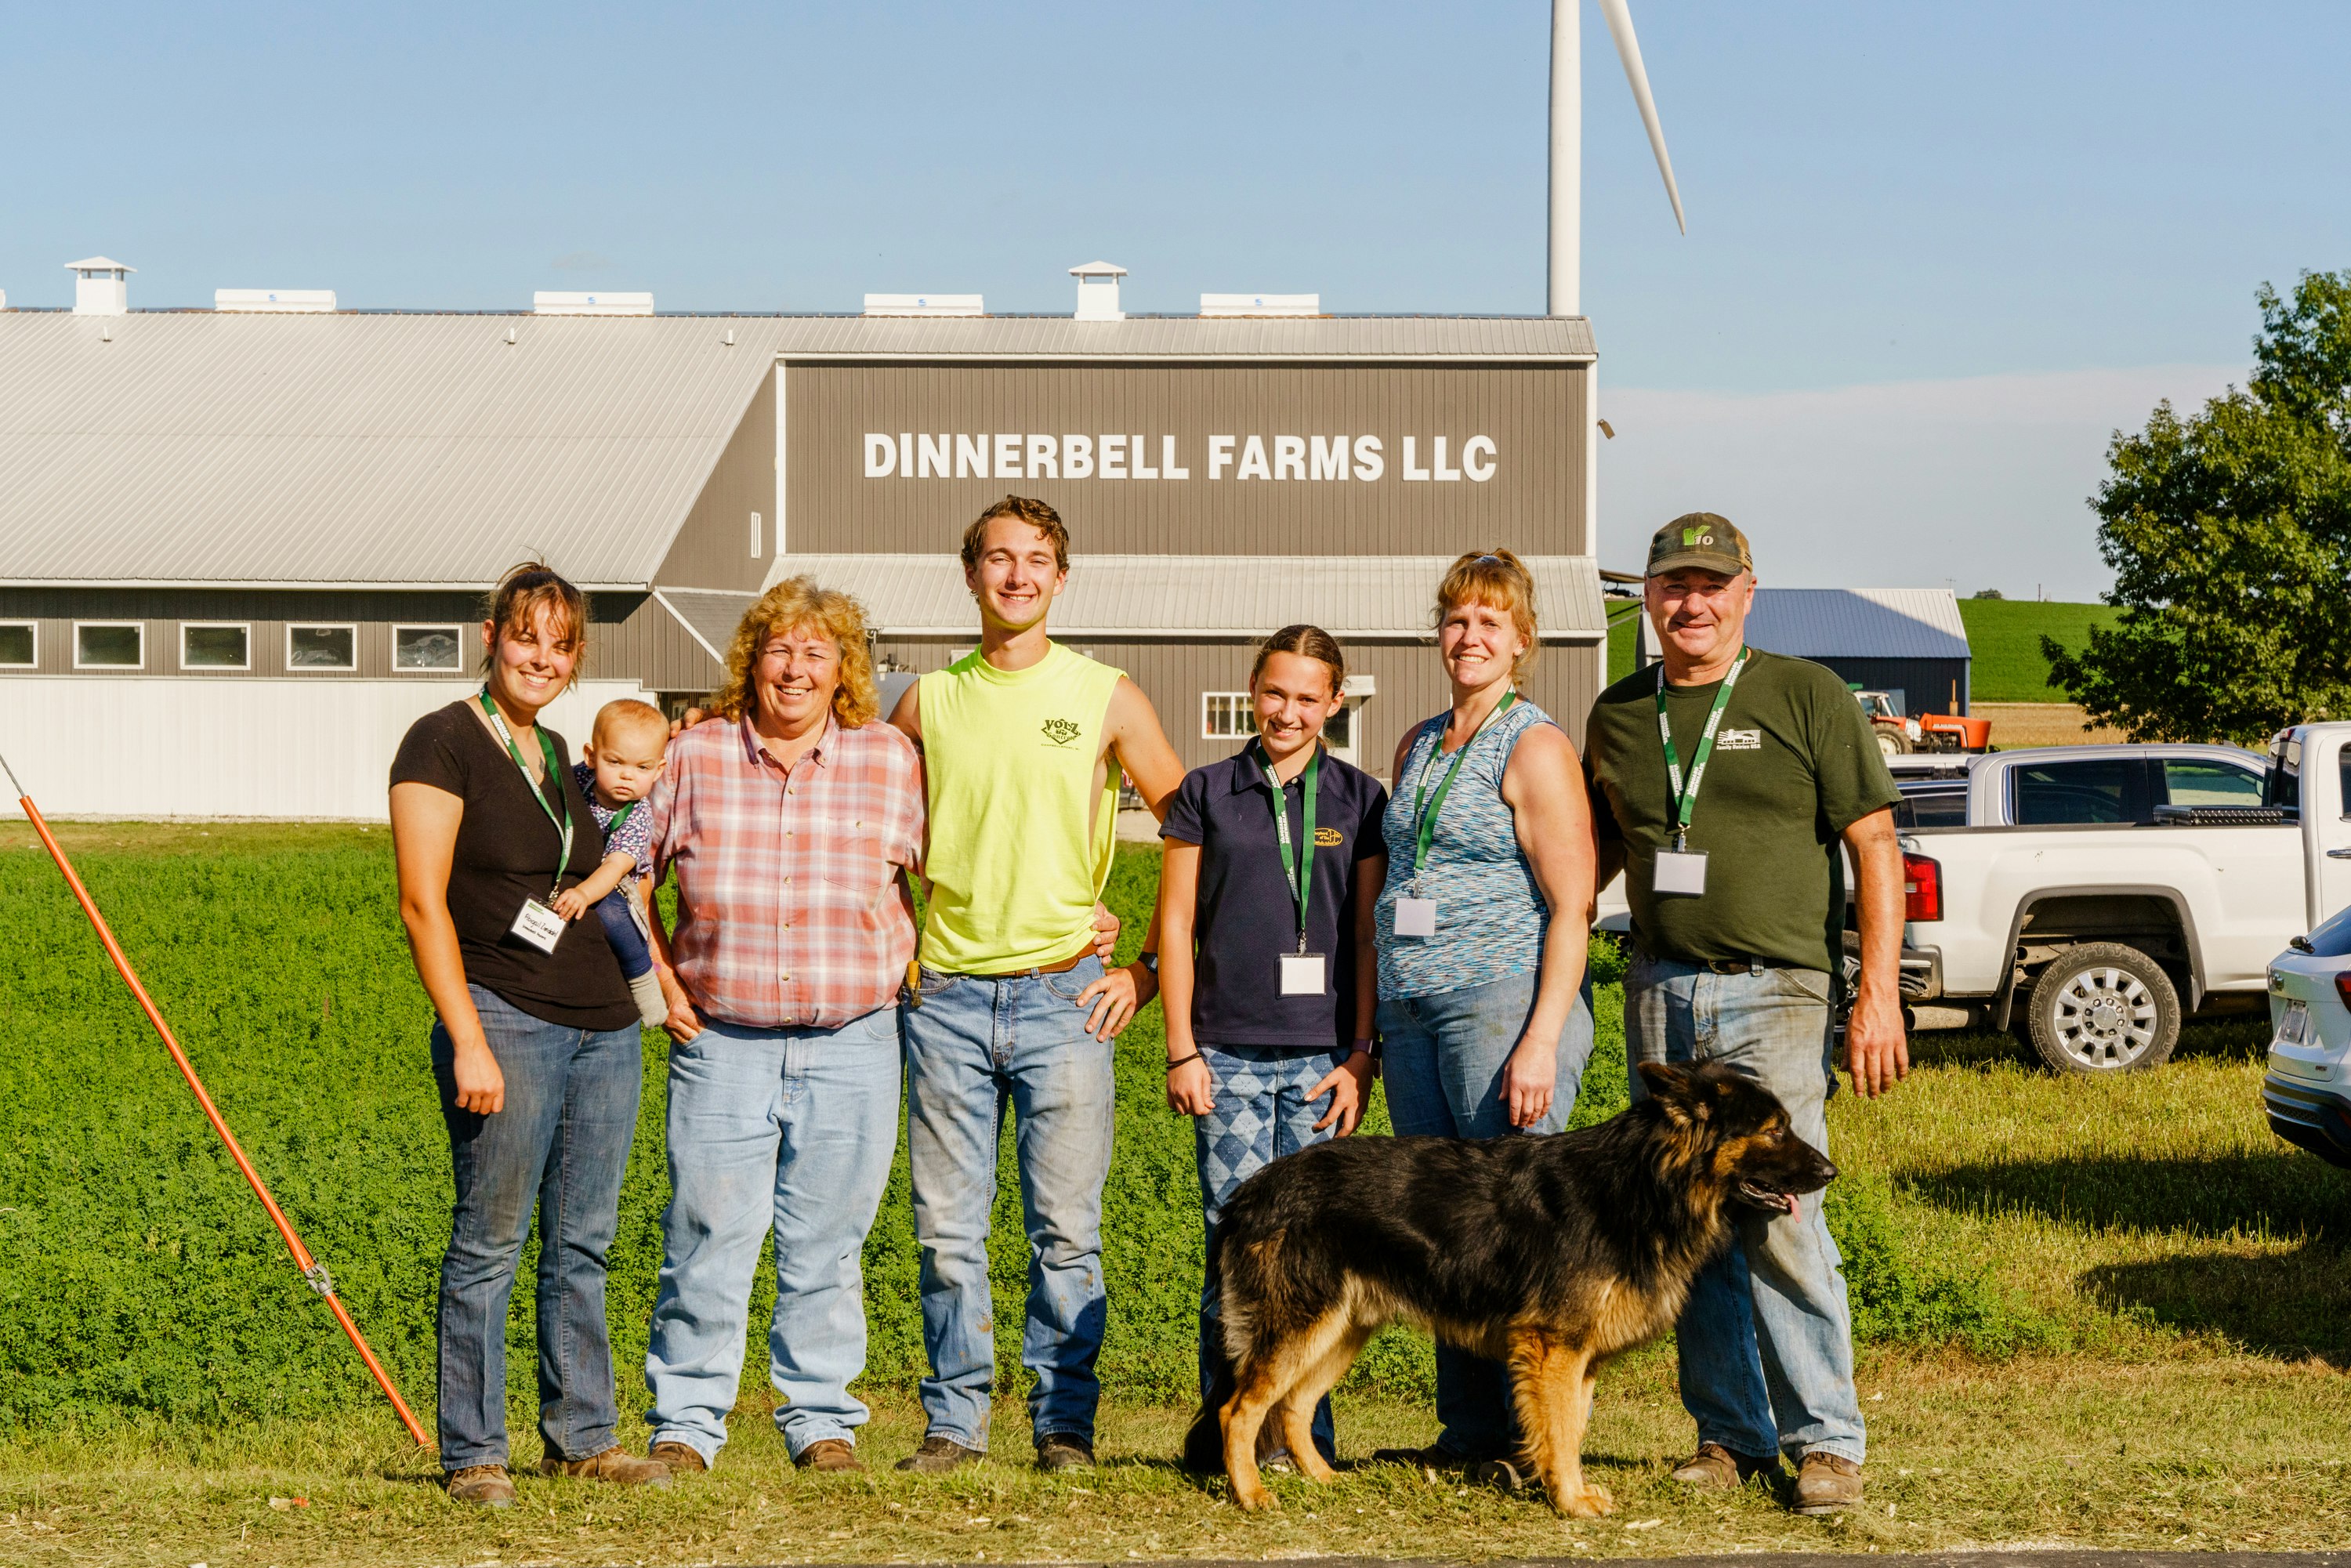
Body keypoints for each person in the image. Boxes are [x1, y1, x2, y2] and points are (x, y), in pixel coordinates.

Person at [1583, 512, 1909, 1516]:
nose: (1693, 602)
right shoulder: (1620, 713)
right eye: (1675, 584)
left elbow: (1876, 846)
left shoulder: (1805, 693)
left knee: (1780, 1214)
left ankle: (1826, 1443)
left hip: (1777, 987)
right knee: (1686, 1216)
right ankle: (1728, 1433)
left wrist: (1879, 994)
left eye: (1712, 584)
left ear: (1748, 591)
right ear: (1646, 595)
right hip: (1660, 986)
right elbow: (1593, 860)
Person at [886, 494, 1186, 1473]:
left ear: (1063, 577)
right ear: (970, 574)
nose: (1018, 575)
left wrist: (1142, 966)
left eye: (1038, 559)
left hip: (1067, 997)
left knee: (1067, 1232)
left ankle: (1064, 1426)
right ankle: (954, 1423)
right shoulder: (925, 702)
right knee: (946, 1233)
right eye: (1000, 559)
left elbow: (1197, 833)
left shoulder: (1108, 695)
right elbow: (879, 847)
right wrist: (899, 943)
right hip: (949, 1001)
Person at [389, 562, 671, 1508]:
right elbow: (423, 904)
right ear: (490, 637)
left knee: (582, 1243)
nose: (541, 658)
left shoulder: (557, 752)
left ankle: (582, 1435)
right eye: (526, 637)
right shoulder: (442, 743)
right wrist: (467, 1036)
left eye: (560, 645)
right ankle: (474, 1452)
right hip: (505, 1017)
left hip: (604, 1028)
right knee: (490, 1243)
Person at [636, 578, 926, 1476]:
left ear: (844, 670)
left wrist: (1090, 922)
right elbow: (633, 873)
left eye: (815, 652)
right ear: (750, 663)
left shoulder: (891, 759)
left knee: (829, 1245)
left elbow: (945, 878)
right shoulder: (696, 755)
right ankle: (686, 1422)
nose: (795, 669)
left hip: (855, 1042)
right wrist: (658, 988)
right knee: (706, 1234)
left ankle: (821, 1419)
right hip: (720, 1041)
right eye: (778, 650)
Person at [1369, 546, 1597, 1482]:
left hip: (1499, 1009)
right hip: (1412, 1014)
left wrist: (1541, 1037)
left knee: (1522, 1235)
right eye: (1457, 620)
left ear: (1522, 640)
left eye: (1490, 623)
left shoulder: (1534, 744)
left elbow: (1573, 904)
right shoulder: (1420, 742)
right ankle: (1467, 1439)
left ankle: (1532, 1447)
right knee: (1444, 1235)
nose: (1470, 636)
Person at [1158, 625, 1389, 1476]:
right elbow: (1176, 924)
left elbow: (1366, 933)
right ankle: (1228, 1431)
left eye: (1307, 698)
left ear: (1335, 703)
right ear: (1253, 691)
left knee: (1318, 1254)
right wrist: (1183, 1048)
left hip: (1324, 1062)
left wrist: (1362, 1052)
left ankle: (1304, 1437)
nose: (1288, 712)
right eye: (1274, 693)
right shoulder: (1206, 792)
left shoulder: (1361, 800)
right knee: (1236, 1243)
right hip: (1226, 1056)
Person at [551, 698, 671, 1028]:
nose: (627, 776)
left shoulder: (636, 815)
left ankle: (643, 978)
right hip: (580, 868)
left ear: (658, 770)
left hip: (614, 883)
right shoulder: (578, 780)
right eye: (615, 762)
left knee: (611, 915)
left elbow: (614, 868)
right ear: (590, 756)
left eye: (642, 768)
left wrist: (585, 895)